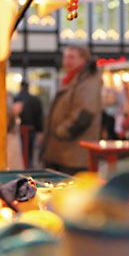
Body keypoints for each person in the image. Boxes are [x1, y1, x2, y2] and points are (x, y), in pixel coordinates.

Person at [41, 46, 102, 175]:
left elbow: (84, 114)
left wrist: (60, 132)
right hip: (64, 152)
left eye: (72, 57)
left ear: (83, 59)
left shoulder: (87, 80)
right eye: (65, 57)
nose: (67, 61)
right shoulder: (73, 78)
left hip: (73, 154)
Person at [14, 81, 44, 167]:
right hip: (31, 129)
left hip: (18, 130)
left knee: (20, 151)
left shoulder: (16, 98)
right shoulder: (35, 100)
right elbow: (39, 117)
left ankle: (22, 166)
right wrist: (40, 131)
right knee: (29, 151)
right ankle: (28, 167)